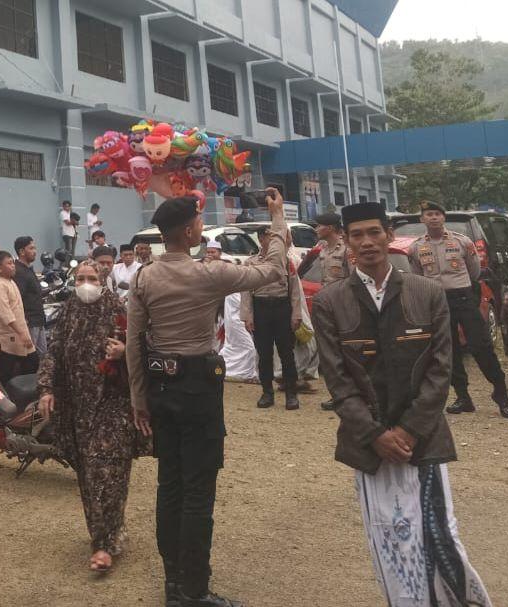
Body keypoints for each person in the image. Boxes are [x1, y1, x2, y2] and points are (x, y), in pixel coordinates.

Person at [312, 202, 493, 607]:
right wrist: (375, 434)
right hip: (369, 443)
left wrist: (409, 428)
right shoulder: (330, 301)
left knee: (441, 535)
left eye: (374, 232)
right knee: (388, 539)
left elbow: (440, 368)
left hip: (423, 438)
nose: (367, 242)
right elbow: (337, 380)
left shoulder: (426, 292)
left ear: (389, 235)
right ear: (346, 240)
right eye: (356, 234)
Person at [126, 189, 289, 607]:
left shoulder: (144, 275)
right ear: (187, 230)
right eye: (198, 221)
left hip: (160, 388)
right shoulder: (209, 273)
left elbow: (133, 342)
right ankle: (194, 590)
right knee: (198, 491)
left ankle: (173, 582)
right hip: (198, 387)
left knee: (170, 485)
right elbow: (271, 270)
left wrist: (139, 398)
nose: (202, 226)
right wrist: (275, 220)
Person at [38, 262, 143, 573]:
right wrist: (45, 388)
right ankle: (103, 535)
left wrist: (124, 351)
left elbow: (142, 345)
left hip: (113, 405)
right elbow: (53, 352)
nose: (86, 284)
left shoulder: (118, 308)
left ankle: (106, 543)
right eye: (81, 278)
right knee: (88, 475)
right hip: (77, 409)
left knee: (108, 472)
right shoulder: (68, 311)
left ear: (103, 280)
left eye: (92, 278)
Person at [407, 201, 508, 419]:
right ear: (422, 219)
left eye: (438, 214)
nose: (434, 218)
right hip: (437, 303)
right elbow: (418, 276)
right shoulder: (416, 247)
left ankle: (501, 394)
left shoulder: (462, 242)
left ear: (443, 218)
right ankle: (463, 397)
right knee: (449, 351)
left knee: (481, 346)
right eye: (429, 214)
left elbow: (475, 272)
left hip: (464, 298)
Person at [240, 234, 304, 410]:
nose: (275, 242)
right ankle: (267, 392)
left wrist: (296, 314)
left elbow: (295, 289)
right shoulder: (251, 262)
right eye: (270, 238)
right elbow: (246, 291)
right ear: (261, 240)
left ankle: (291, 394)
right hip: (261, 308)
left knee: (287, 353)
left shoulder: (286, 261)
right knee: (264, 354)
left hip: (282, 307)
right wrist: (247, 316)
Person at [298, 213, 349, 411]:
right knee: (331, 353)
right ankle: (337, 394)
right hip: (327, 304)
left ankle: (353, 395)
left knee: (347, 352)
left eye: (319, 226)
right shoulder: (322, 250)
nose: (316, 229)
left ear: (330, 227)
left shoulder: (346, 249)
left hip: (344, 304)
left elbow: (354, 279)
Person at [0, 250, 36, 385]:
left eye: (13, 263)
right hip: (8, 338)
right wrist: (22, 334)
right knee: (6, 374)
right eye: (9, 263)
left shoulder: (10, 282)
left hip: (20, 334)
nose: (13, 266)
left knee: (31, 366)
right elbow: (6, 315)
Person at [13, 236, 48, 354]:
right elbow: (18, 300)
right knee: (31, 356)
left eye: (35, 248)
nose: (35, 251)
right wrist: (24, 323)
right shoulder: (19, 272)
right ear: (22, 251)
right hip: (30, 322)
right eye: (31, 248)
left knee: (42, 355)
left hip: (38, 320)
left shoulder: (27, 269)